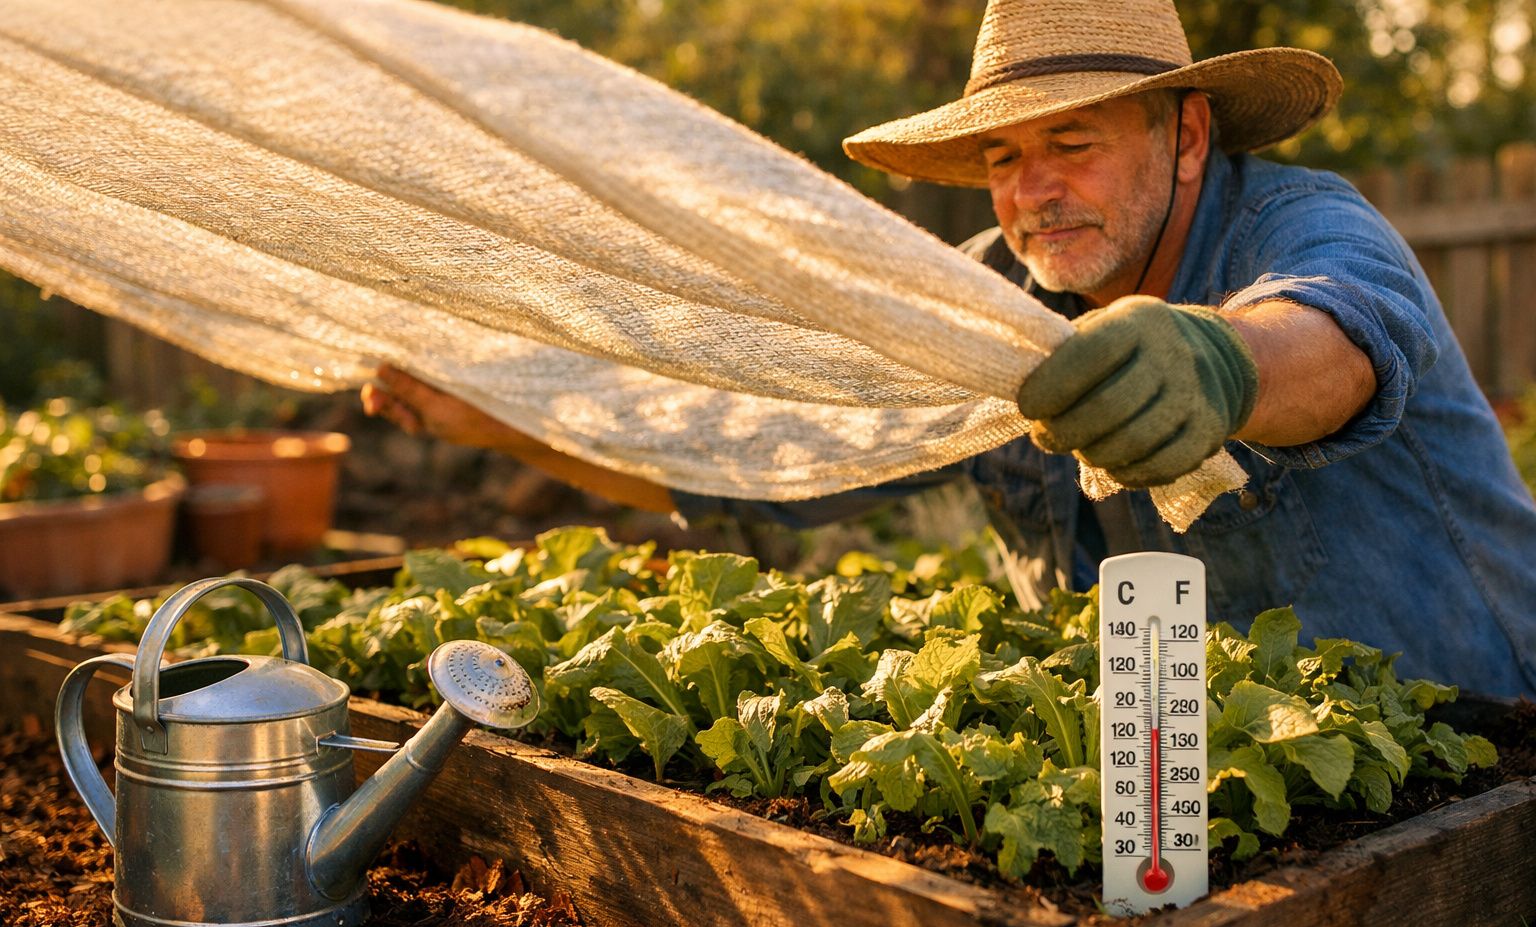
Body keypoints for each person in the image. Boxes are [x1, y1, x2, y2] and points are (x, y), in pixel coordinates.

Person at [363, 0, 1536, 699]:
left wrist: (1218, 365)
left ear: (1185, 138)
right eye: (1004, 159)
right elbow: (767, 464)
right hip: (1177, 800)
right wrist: (495, 412)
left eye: (1070, 144)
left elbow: (1335, 342)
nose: (1034, 194)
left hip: (1467, 769)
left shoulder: (1302, 225)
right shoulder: (986, 296)